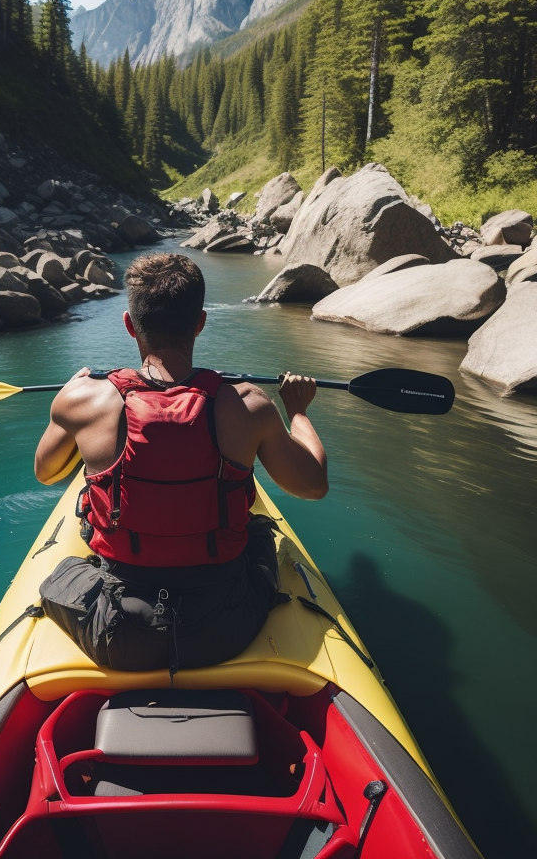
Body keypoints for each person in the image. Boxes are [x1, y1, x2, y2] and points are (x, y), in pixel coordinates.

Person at [34, 252, 328, 674]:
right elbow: (313, 485)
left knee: (63, 572)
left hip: (120, 637)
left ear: (130, 324)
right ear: (200, 323)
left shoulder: (82, 400)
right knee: (261, 534)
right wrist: (298, 410)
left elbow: (46, 473)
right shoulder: (249, 404)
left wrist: (64, 404)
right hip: (225, 628)